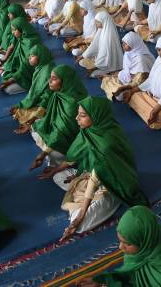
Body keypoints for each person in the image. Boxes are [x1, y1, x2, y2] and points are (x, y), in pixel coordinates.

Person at [40, 97, 149, 242]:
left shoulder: (106, 144)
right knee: (58, 176)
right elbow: (74, 156)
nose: (76, 118)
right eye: (78, 114)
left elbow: (96, 177)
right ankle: (83, 203)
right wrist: (55, 170)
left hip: (111, 183)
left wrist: (81, 214)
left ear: (97, 116)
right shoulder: (89, 130)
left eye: (82, 115)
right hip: (89, 174)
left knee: (80, 225)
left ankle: (106, 202)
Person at [78, 206, 161, 287]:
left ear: (144, 240)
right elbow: (130, 275)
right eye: (120, 241)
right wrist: (103, 282)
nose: (120, 247)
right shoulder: (148, 245)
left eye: (127, 243)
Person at [29, 65, 88, 169]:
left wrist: (44, 153)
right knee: (35, 127)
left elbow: (62, 132)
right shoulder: (59, 93)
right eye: (50, 78)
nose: (49, 81)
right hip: (58, 133)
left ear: (65, 81)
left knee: (53, 158)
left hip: (70, 140)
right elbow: (50, 116)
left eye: (54, 79)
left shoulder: (72, 104)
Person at [10, 44, 55, 134]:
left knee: (10, 91)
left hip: (46, 102)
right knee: (19, 112)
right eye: (29, 56)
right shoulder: (40, 67)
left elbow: (47, 96)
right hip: (40, 99)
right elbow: (35, 90)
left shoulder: (47, 71)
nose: (29, 58)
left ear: (41, 56)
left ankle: (32, 125)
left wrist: (35, 113)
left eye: (32, 56)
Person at [101, 32, 155, 102]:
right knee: (108, 79)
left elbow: (140, 81)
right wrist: (113, 75)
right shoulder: (128, 53)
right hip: (129, 79)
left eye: (126, 44)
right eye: (123, 42)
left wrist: (124, 87)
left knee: (119, 95)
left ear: (133, 44)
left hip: (138, 84)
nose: (123, 45)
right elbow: (126, 70)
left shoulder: (141, 59)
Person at [0, 18, 42, 94]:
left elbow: (27, 65)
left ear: (21, 29)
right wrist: (5, 67)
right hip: (22, 70)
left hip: (30, 73)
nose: (12, 32)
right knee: (4, 73)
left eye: (14, 30)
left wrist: (11, 80)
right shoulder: (23, 38)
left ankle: (29, 84)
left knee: (9, 89)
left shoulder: (31, 42)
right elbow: (16, 56)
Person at [78, 11, 124, 78]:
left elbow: (105, 56)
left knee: (93, 74)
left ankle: (110, 71)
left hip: (108, 64)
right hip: (100, 61)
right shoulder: (101, 30)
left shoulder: (109, 36)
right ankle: (98, 68)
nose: (95, 24)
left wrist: (94, 67)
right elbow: (94, 45)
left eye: (97, 22)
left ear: (104, 21)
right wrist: (84, 55)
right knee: (82, 62)